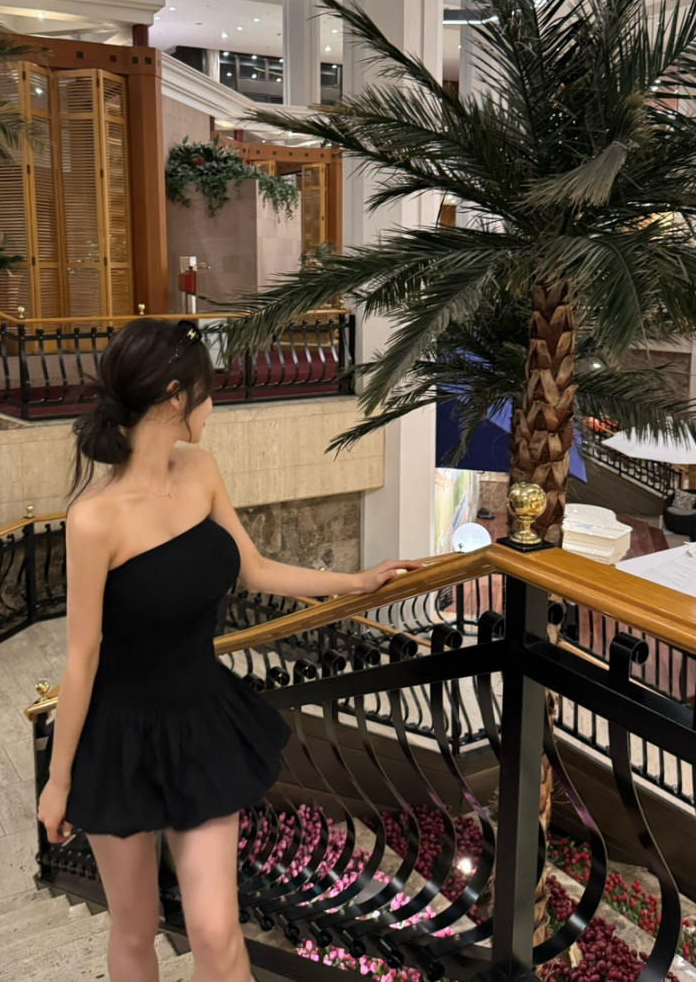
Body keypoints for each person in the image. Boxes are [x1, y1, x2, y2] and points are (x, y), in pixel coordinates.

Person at [37, 317, 416, 982]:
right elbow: (82, 656)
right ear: (175, 397)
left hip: (200, 721)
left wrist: (358, 582)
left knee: (215, 930)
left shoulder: (201, 470)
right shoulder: (93, 519)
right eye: (206, 393)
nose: (212, 406)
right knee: (136, 927)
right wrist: (59, 781)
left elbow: (256, 569)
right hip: (118, 736)